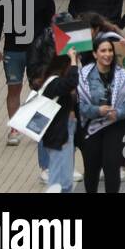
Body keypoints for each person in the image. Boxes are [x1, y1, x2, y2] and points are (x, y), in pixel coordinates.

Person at [0, 0, 56, 145]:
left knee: (40, 89)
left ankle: (38, 127)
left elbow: (51, 19)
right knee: (14, 89)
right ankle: (14, 128)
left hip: (38, 50)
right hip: (13, 49)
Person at [76, 34, 125, 193]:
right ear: (95, 54)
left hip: (115, 126)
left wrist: (117, 113)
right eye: (103, 50)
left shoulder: (122, 75)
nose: (107, 54)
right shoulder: (84, 75)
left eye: (110, 50)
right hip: (91, 128)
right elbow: (79, 104)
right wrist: (97, 111)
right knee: (91, 169)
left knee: (112, 168)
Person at [36, 49, 82, 192]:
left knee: (66, 181)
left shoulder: (56, 81)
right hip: (57, 135)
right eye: (74, 64)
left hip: (64, 132)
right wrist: (73, 61)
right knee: (57, 181)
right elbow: (73, 81)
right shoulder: (54, 83)